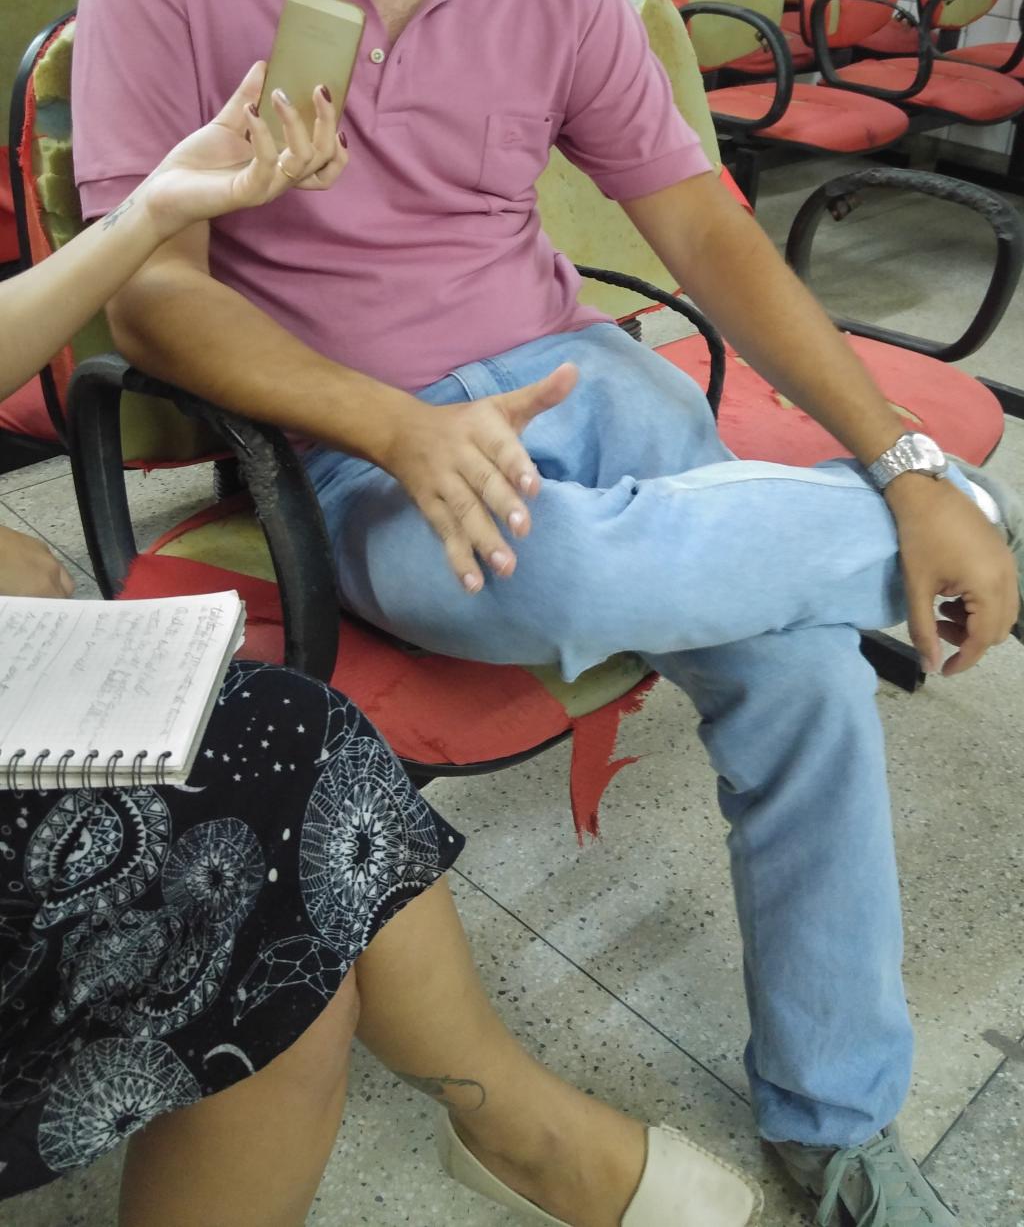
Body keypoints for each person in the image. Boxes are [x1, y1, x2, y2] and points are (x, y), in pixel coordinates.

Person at [71, 0, 1023, 1227]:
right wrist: (393, 425)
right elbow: (148, 295)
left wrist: (894, 453)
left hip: (586, 377)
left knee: (791, 667)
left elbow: (707, 233)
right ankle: (953, 526)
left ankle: (831, 1118)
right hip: (360, 445)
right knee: (636, 597)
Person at [0, 65, 760, 1226]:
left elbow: (690, 214)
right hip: (362, 431)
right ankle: (514, 1122)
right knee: (275, 854)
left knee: (291, 738)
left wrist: (154, 207)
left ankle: (507, 1118)